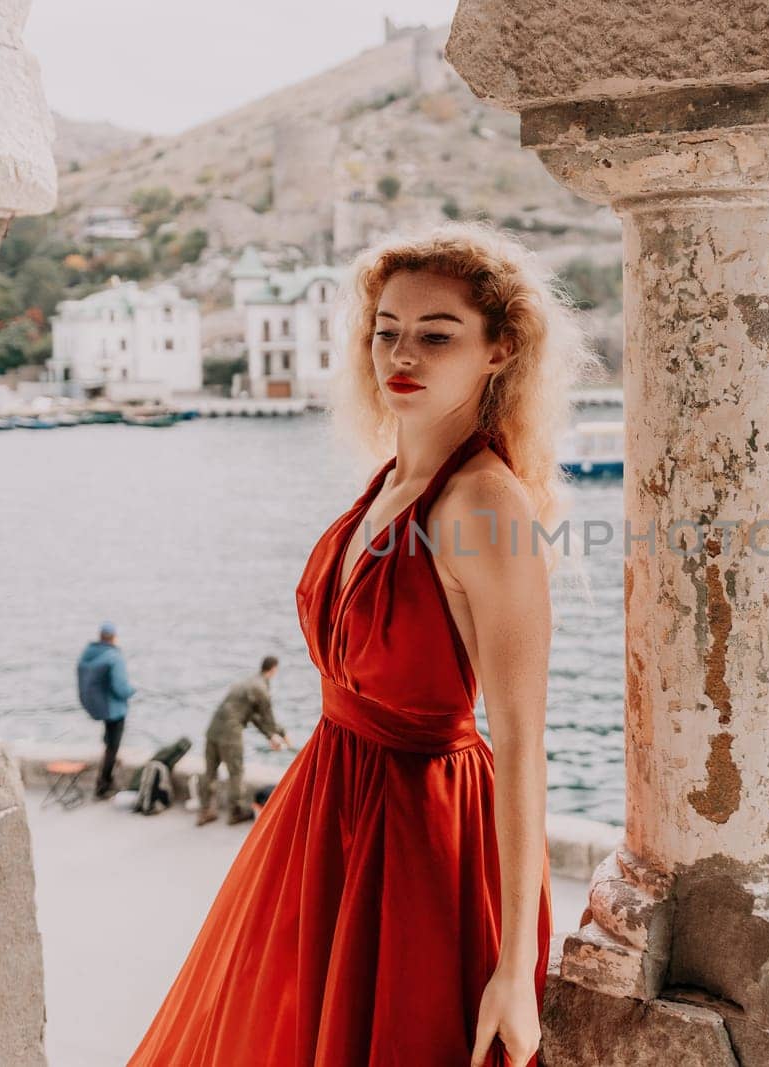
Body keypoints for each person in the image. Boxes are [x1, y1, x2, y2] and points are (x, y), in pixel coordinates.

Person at [128, 221, 598, 1067]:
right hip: (323, 808)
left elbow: (524, 743)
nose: (400, 354)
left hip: (416, 839)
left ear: (499, 352)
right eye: (386, 330)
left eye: (436, 334)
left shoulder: (485, 506)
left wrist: (515, 967)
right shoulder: (388, 479)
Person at [196, 656, 289, 827]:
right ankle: (235, 812)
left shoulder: (247, 682)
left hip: (213, 729)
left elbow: (253, 717)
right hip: (230, 733)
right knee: (236, 772)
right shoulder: (261, 688)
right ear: (274, 669)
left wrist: (270, 735)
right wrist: (279, 734)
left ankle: (205, 811)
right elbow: (268, 718)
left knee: (210, 771)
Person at [76, 620, 136, 799]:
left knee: (108, 742)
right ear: (114, 638)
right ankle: (104, 784)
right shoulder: (114, 657)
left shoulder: (89, 654)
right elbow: (120, 688)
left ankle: (105, 779)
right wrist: (131, 690)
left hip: (100, 707)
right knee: (113, 746)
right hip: (114, 709)